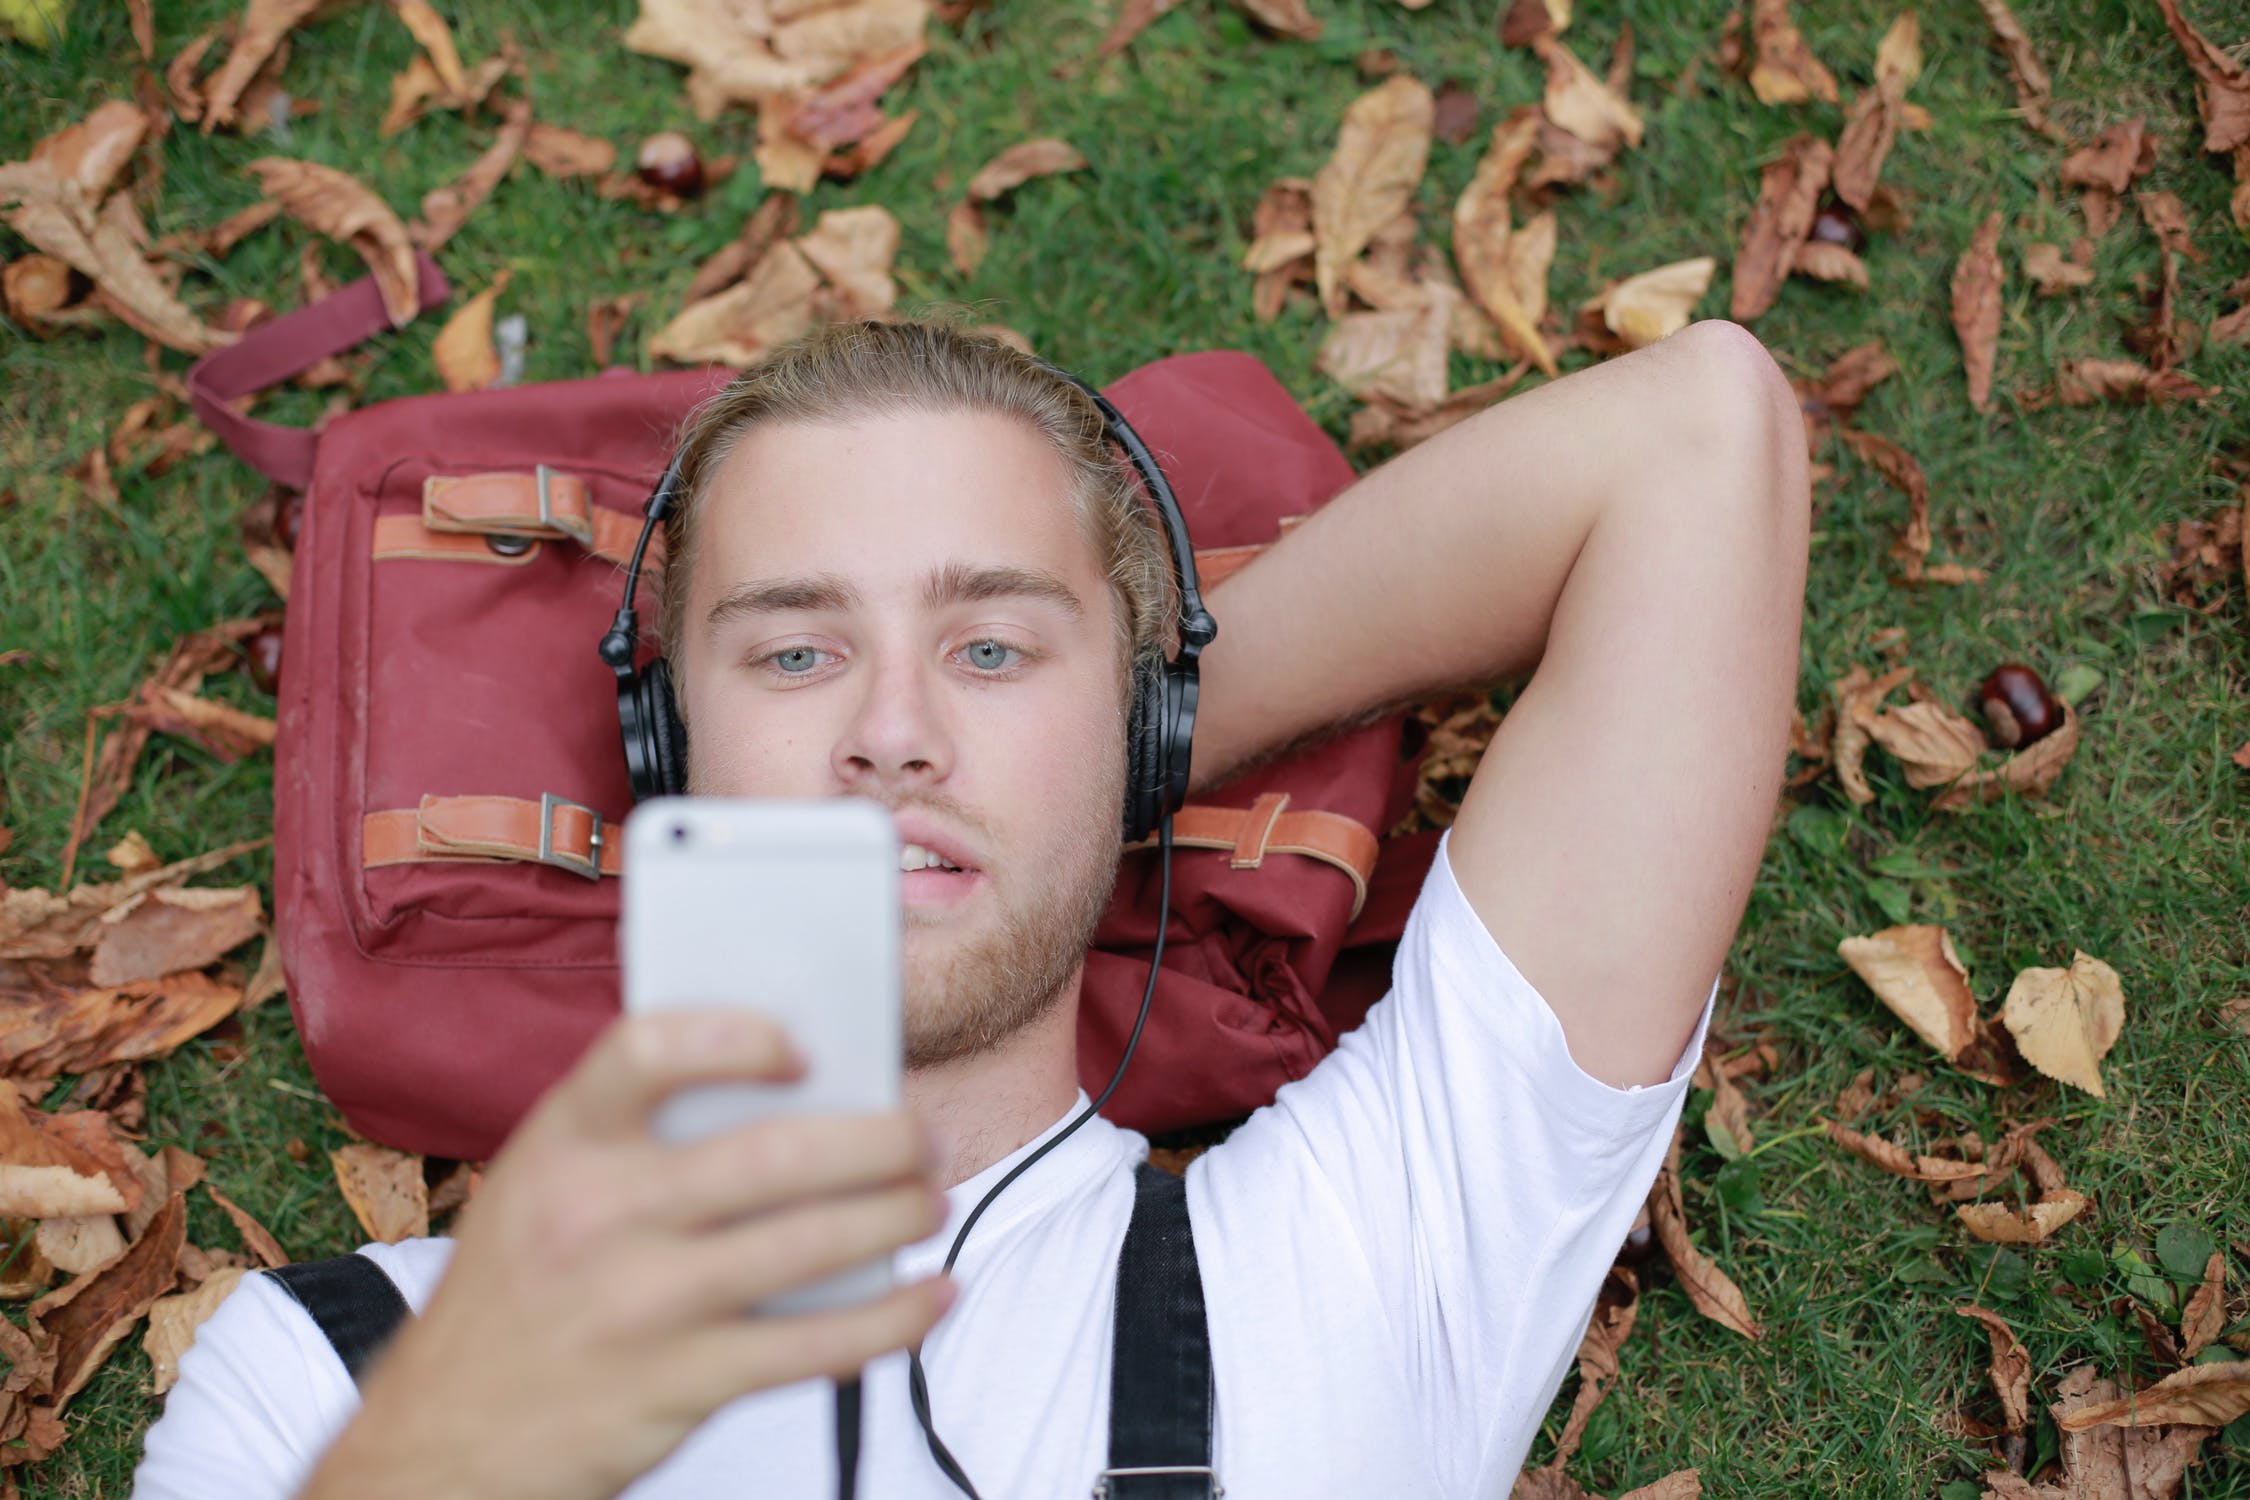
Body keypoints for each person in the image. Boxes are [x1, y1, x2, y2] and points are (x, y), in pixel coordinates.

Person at [132, 314, 1809, 1499]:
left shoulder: (1379, 1253)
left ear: (1137, 719)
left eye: (991, 648)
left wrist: (1127, 758)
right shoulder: (332, 1373)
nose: (891, 728)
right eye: (795, 652)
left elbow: (1695, 436)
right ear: (669, 746)